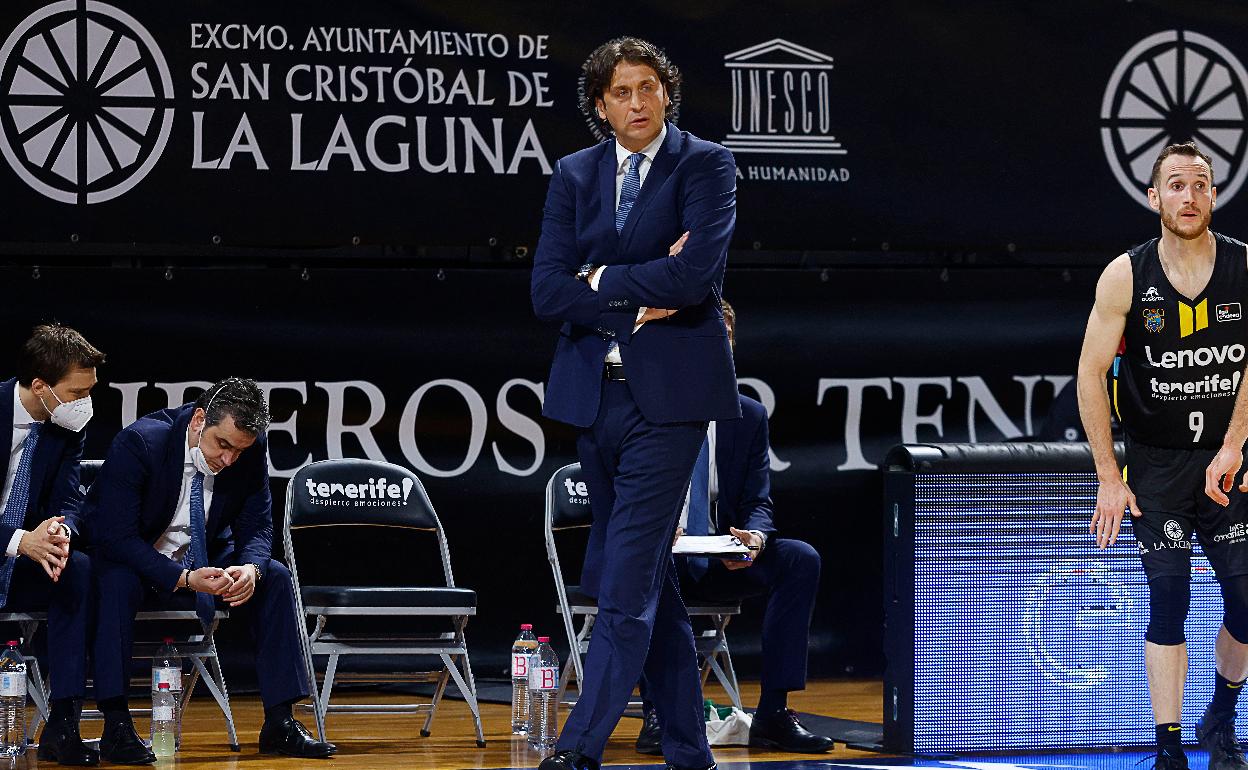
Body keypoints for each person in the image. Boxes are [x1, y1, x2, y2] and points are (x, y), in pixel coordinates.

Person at [530, 36, 739, 770]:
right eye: (622, 92)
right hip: (596, 400)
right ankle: (688, 748)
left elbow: (694, 277)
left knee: (622, 583)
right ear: (601, 106)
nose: (638, 101)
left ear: (667, 93)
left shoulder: (705, 164)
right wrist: (635, 287)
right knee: (653, 582)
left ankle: (579, 748)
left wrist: (597, 280)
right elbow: (546, 290)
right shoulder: (574, 173)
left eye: (649, 86)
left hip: (671, 402)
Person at [1078, 141, 1248, 770]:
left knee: (1246, 602)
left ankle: (1221, 715)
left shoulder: (1244, 265)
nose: (1189, 196)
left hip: (1227, 461)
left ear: (1214, 195)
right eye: (1176, 184)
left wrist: (1234, 444)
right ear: (1154, 198)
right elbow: (1090, 373)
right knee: (1169, 599)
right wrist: (1108, 475)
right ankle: (1169, 747)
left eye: (1200, 184)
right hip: (1156, 464)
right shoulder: (1125, 274)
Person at [84, 377, 334, 763]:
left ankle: (280, 722)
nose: (229, 459)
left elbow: (258, 525)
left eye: (240, 450)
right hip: (137, 560)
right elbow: (115, 538)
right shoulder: (141, 442)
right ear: (200, 420)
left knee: (275, 578)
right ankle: (116, 724)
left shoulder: (249, 450)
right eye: (223, 445)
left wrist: (250, 568)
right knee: (115, 581)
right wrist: (183, 579)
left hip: (203, 557)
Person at [634, 300, 832, 755]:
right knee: (648, 563)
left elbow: (758, 502)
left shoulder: (748, 415)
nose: (715, 347)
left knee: (799, 559)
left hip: (720, 558)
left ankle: (774, 714)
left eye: (723, 338)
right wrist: (660, 526)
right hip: (659, 555)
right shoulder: (647, 406)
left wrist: (754, 539)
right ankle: (657, 712)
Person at [0, 324, 103, 766]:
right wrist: (20, 540)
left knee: (77, 567)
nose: (86, 402)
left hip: (26, 557)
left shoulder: (67, 427)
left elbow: (68, 497)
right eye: (77, 392)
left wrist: (61, 531)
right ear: (40, 386)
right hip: (12, 545)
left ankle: (63, 724)